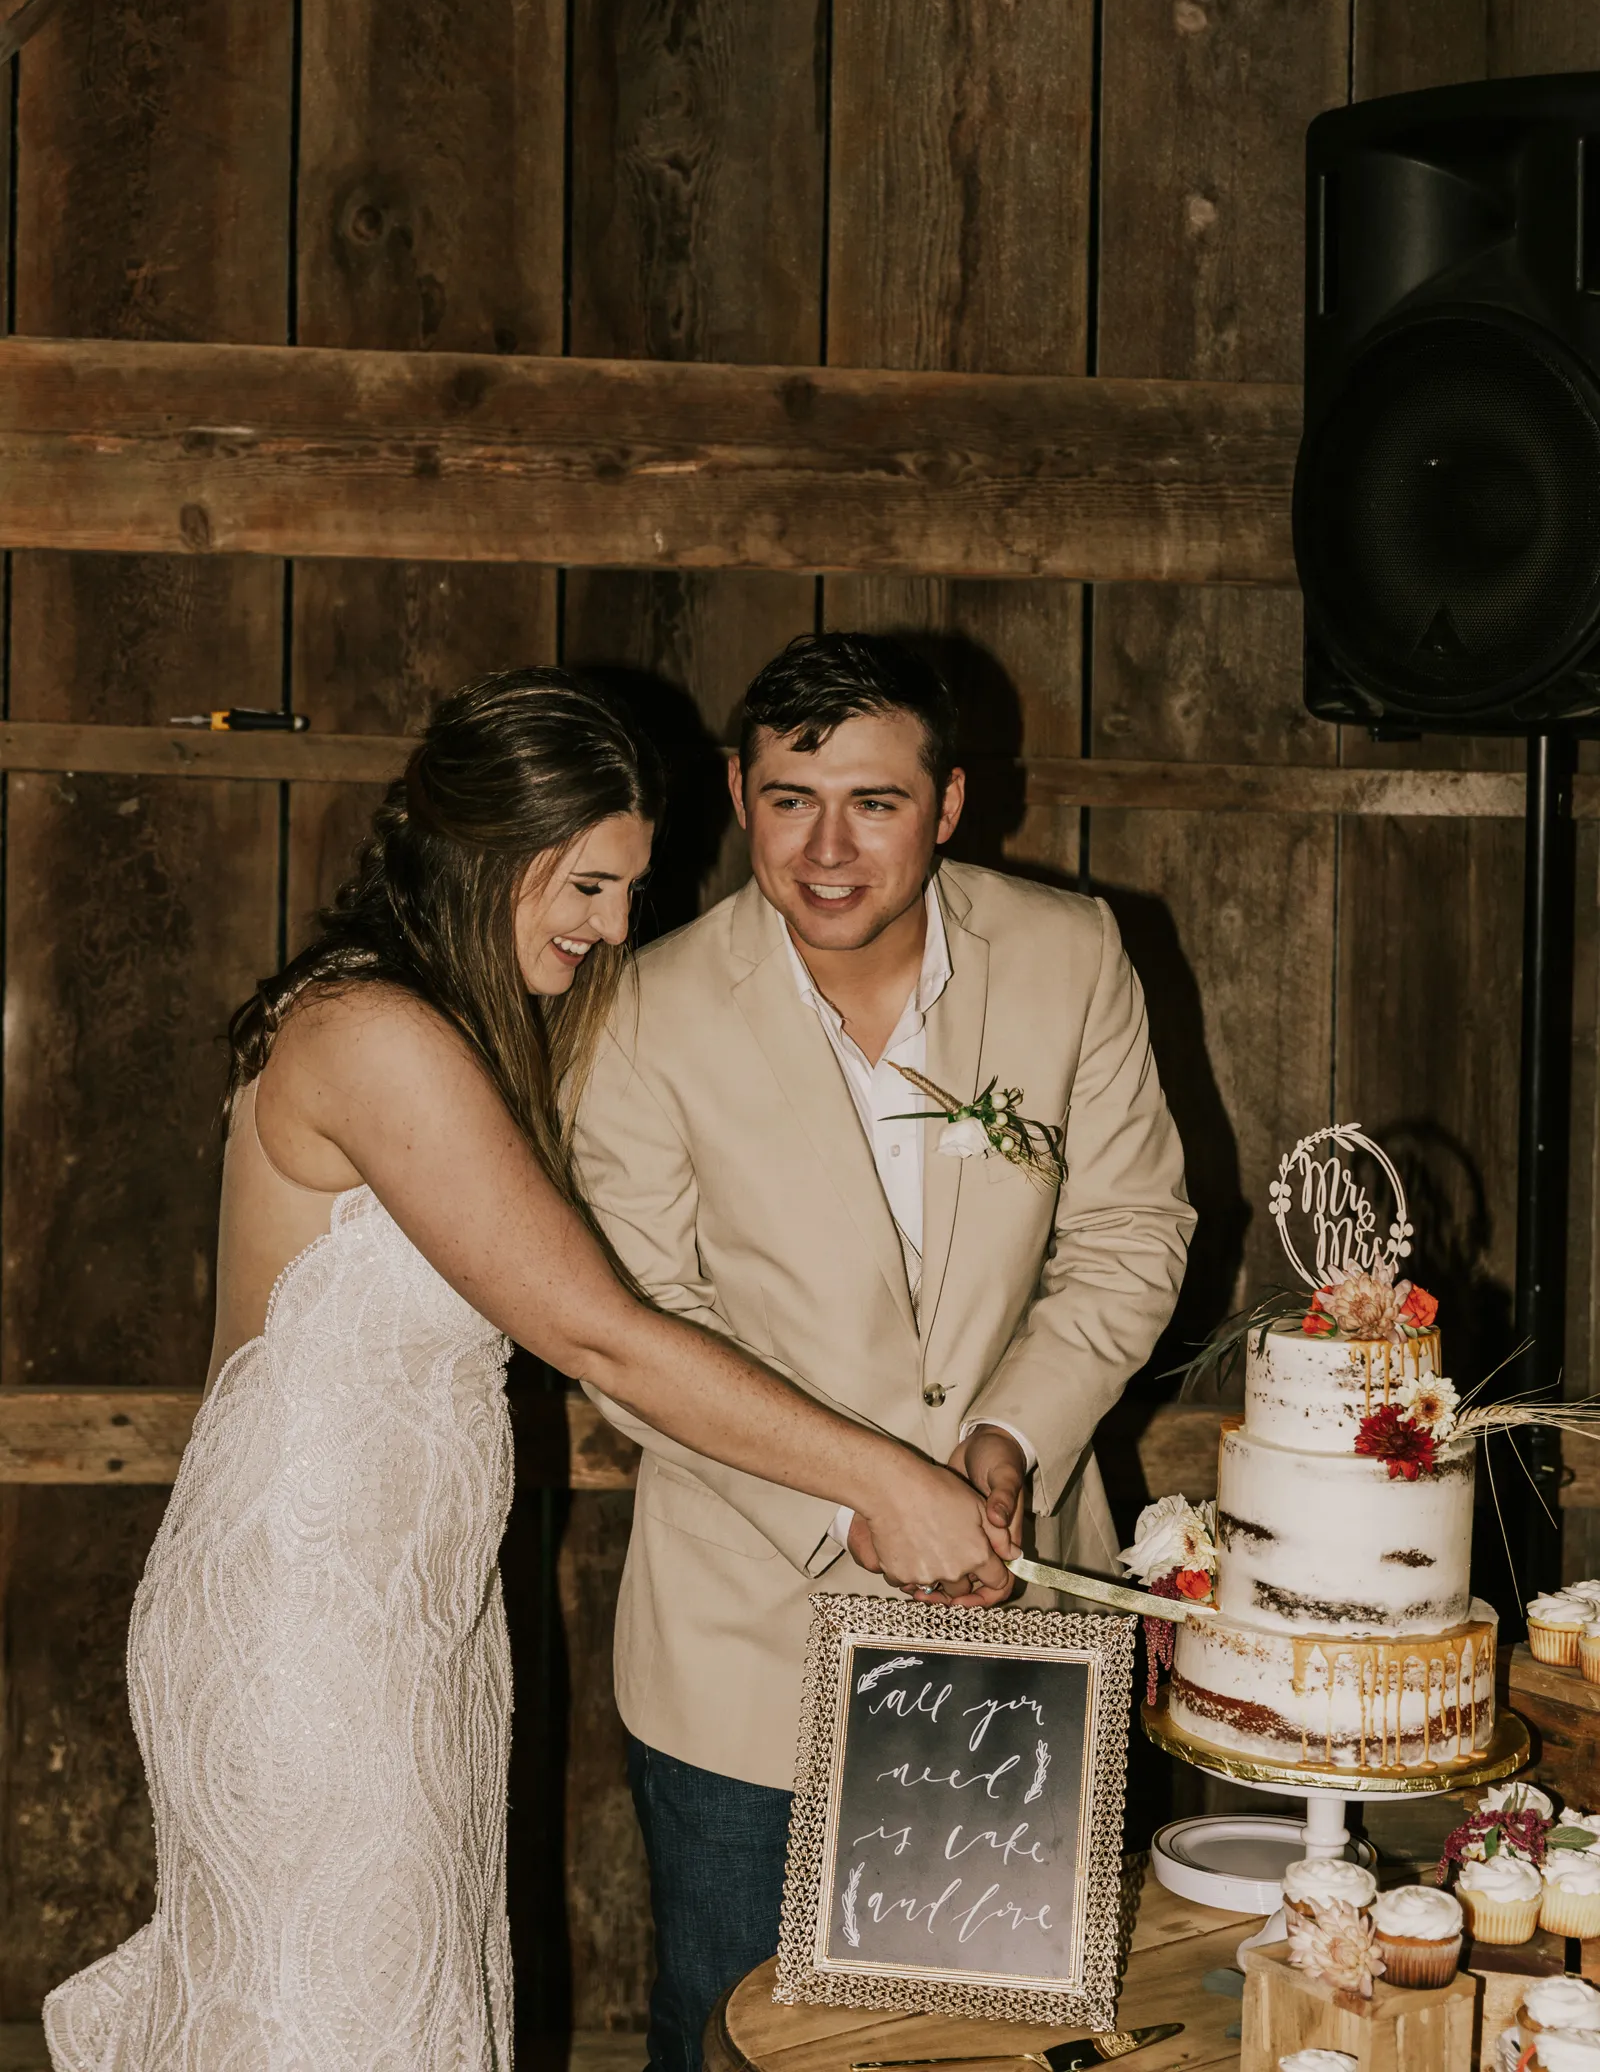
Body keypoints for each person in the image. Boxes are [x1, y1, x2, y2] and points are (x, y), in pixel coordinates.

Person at [43, 667, 1010, 2072]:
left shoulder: (450, 1023)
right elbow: (599, 1330)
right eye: (591, 886)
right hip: (305, 1621)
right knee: (328, 2021)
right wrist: (882, 1478)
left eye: (628, 890)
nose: (616, 927)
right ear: (494, 848)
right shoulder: (369, 1034)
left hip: (407, 1616)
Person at [571, 632, 1197, 2072]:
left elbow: (1132, 1232)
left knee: (1004, 2050)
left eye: (876, 801)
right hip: (745, 1651)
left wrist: (1008, 1442)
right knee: (736, 2042)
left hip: (1019, 1623)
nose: (830, 847)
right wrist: (857, 1502)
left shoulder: (1072, 955)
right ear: (737, 793)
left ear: (951, 804)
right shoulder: (637, 1011)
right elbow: (634, 1329)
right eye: (793, 799)